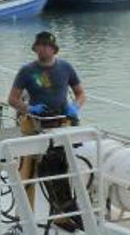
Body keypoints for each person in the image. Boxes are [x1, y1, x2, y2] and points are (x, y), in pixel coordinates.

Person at [7, 31, 87, 209]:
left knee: (60, 168)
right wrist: (28, 108)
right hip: (34, 124)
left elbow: (81, 94)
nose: (42, 49)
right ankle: (25, 215)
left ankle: (60, 214)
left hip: (61, 122)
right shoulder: (27, 71)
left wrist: (74, 107)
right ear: (35, 48)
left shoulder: (66, 68)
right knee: (27, 173)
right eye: (39, 46)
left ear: (54, 49)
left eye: (46, 46)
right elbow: (12, 99)